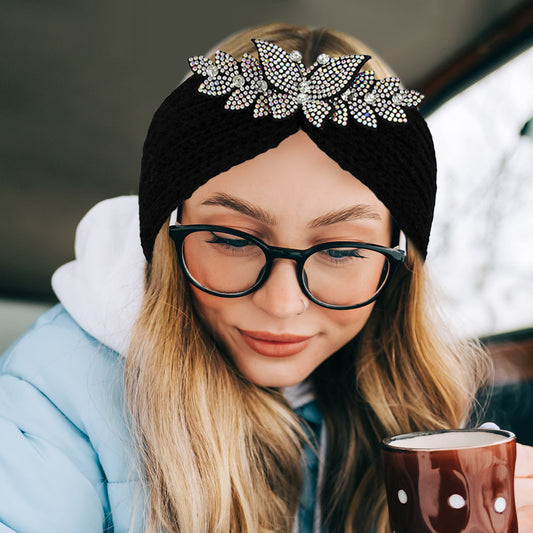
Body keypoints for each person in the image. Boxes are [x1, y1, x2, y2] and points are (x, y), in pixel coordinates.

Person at [1, 22, 532, 533]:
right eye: (232, 241)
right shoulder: (46, 403)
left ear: (398, 263)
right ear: (169, 233)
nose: (281, 305)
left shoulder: (415, 399)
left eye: (342, 249)